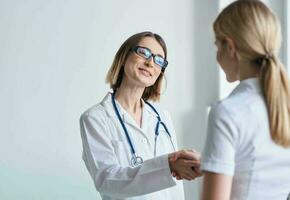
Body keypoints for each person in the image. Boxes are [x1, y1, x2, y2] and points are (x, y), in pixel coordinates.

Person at [79, 31, 202, 200]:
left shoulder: (162, 117)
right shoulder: (95, 118)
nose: (150, 62)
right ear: (124, 57)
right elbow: (107, 180)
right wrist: (167, 166)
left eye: (159, 60)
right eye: (143, 52)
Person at [200, 1, 290, 199]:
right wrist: (213, 162)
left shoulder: (228, 112)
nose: (217, 56)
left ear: (230, 47)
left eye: (217, 46)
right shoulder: (284, 107)